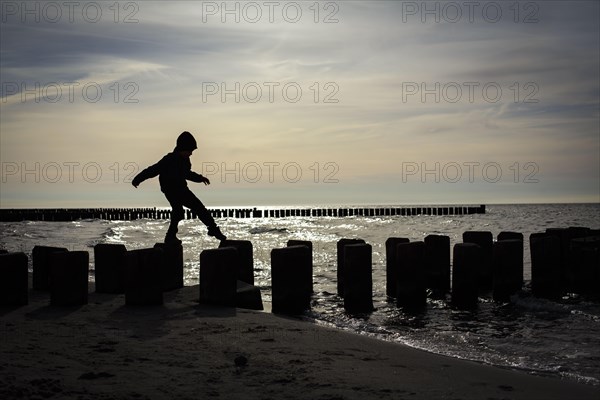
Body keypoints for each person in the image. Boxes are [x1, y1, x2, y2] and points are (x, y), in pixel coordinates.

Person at [131, 131, 227, 243]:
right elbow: (153, 170)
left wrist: (200, 178)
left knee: (195, 208)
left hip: (181, 189)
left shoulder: (185, 161)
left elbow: (187, 174)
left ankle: (211, 230)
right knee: (183, 210)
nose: (191, 153)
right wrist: (138, 179)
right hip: (170, 190)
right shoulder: (169, 159)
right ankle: (172, 236)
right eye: (190, 151)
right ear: (182, 148)